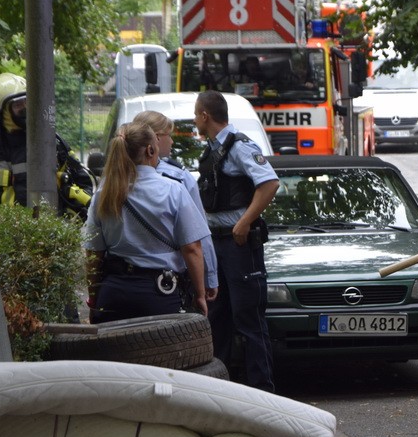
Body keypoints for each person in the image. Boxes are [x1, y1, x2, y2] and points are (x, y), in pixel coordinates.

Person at [195, 90, 279, 392]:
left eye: (196, 115)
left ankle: (263, 391)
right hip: (218, 246)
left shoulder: (240, 146)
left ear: (206, 116)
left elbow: (269, 183)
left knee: (249, 321)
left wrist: (245, 223)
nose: (195, 121)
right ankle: (221, 392)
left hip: (239, 246)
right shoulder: (212, 150)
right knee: (219, 321)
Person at [82, 122, 209, 323]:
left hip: (113, 293)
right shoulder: (173, 190)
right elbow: (192, 248)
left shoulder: (104, 194)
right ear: (150, 150)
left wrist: (94, 299)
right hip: (160, 294)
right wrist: (200, 295)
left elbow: (93, 254)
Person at [0, 73, 94, 217]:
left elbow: (84, 185)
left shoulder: (53, 143)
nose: (25, 108)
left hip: (54, 234)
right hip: (7, 236)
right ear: (1, 111)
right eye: (17, 105)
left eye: (27, 102)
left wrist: (70, 219)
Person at [132, 110, 220, 306]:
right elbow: (196, 240)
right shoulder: (178, 179)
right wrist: (209, 277)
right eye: (168, 135)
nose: (171, 141)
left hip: (120, 283)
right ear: (153, 140)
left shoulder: (112, 181)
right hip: (167, 282)